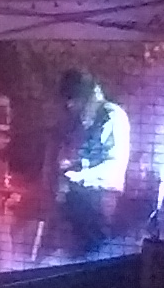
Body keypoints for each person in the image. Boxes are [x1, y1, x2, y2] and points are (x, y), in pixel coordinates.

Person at [55, 69, 130, 259]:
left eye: (72, 99)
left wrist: (78, 176)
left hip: (100, 202)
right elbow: (85, 156)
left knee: (96, 255)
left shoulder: (111, 116)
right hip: (80, 202)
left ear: (84, 94)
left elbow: (113, 166)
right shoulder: (83, 119)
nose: (69, 105)